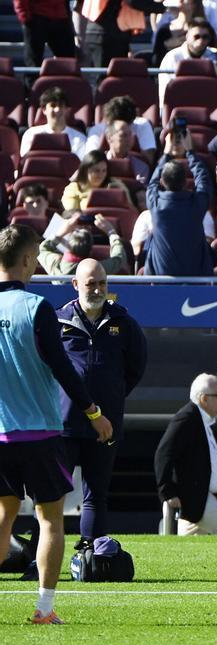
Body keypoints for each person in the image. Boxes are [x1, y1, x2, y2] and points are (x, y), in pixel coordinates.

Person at [0, 224, 113, 624]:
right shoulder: (37, 307)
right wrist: (94, 413)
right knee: (50, 519)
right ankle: (44, 609)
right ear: (29, 260)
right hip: (41, 432)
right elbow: (63, 368)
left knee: (3, 517)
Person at [55, 258, 146, 545]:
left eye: (102, 283)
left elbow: (135, 368)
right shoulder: (57, 321)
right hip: (64, 423)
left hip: (105, 424)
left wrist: (113, 395)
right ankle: (38, 557)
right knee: (52, 496)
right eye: (90, 283)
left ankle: (92, 554)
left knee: (96, 493)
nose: (97, 289)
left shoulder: (124, 322)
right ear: (75, 285)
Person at [154, 374, 217, 536]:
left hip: (199, 495)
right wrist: (167, 492)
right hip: (194, 495)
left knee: (190, 536)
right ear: (204, 399)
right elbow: (163, 454)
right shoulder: (187, 418)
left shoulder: (200, 419)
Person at [144, 134, 215, 277]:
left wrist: (166, 153)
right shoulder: (197, 204)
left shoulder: (155, 203)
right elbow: (204, 180)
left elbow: (152, 183)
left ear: (162, 182)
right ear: (186, 182)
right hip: (196, 282)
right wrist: (190, 152)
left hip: (162, 282)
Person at [38, 216, 129, 276]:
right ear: (91, 251)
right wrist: (111, 232)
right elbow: (119, 258)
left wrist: (60, 233)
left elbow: (42, 249)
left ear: (67, 247)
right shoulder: (96, 270)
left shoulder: (55, 266)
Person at [158, 21, 217, 105]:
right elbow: (167, 90)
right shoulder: (173, 57)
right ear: (187, 36)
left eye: (205, 37)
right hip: (179, 105)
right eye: (196, 36)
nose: (201, 40)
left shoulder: (214, 56)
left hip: (207, 104)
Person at [20, 87, 87, 159]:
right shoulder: (31, 134)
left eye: (61, 106)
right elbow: (26, 161)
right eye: (53, 105)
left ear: (67, 109)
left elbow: (80, 166)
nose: (57, 109)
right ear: (44, 110)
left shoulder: (79, 138)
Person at [63, 151, 136, 213]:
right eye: (96, 171)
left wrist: (121, 193)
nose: (101, 175)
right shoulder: (74, 188)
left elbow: (131, 212)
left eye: (104, 171)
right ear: (86, 170)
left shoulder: (115, 184)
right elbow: (72, 215)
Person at [16, 0, 76, 68]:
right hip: (36, 17)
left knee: (68, 61)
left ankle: (67, 78)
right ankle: (32, 78)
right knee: (33, 62)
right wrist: (25, 16)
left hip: (61, 16)